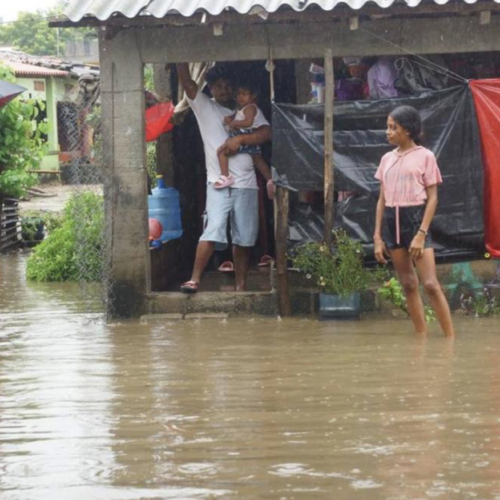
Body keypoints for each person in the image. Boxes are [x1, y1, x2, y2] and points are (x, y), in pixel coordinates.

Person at [176, 63, 272, 294]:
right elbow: (188, 84)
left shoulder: (247, 111)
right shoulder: (204, 106)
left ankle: (241, 286)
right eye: (218, 86)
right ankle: (194, 280)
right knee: (213, 228)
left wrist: (241, 140)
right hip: (218, 183)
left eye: (228, 86)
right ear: (209, 88)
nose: (224, 90)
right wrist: (179, 60)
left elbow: (266, 133)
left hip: (247, 184)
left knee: (244, 237)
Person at [373, 105, 455, 337]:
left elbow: (433, 198)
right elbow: (381, 199)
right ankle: (421, 337)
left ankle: (450, 339)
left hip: (416, 219)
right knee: (408, 283)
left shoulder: (425, 156)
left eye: (393, 127)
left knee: (429, 284)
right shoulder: (386, 159)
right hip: (392, 219)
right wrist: (377, 236)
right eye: (387, 127)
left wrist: (421, 233)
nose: (387, 132)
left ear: (407, 130)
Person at [216, 80, 274, 199]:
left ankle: (225, 176)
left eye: (244, 94)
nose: (240, 97)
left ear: (253, 96)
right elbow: (237, 115)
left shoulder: (250, 108)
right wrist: (230, 118)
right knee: (258, 160)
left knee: (222, 152)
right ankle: (270, 180)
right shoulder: (242, 108)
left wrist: (234, 123)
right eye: (238, 94)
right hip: (251, 137)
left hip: (248, 134)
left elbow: (248, 122)